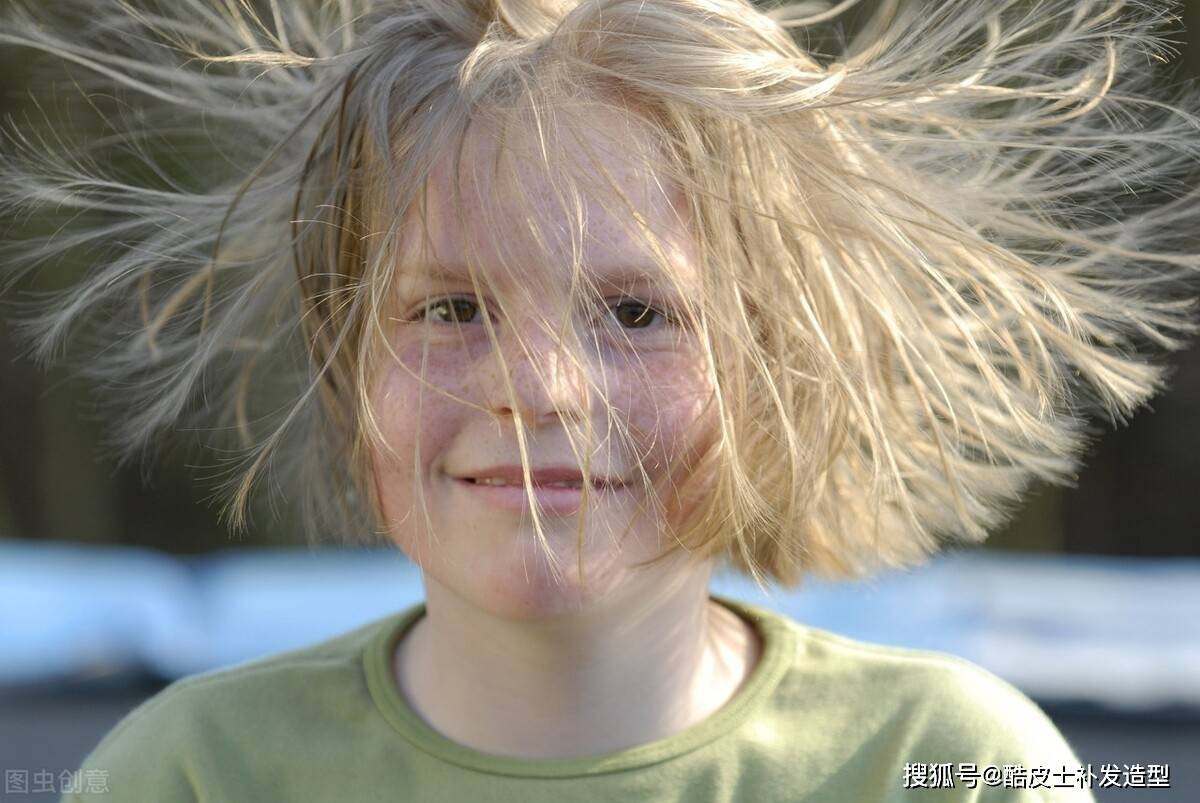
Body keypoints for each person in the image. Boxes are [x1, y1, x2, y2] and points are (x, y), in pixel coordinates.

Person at [1, 0, 1196, 800]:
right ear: (349, 357)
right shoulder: (191, 776)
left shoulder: (951, 766)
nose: (539, 388)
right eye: (452, 309)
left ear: (777, 366)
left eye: (637, 313)